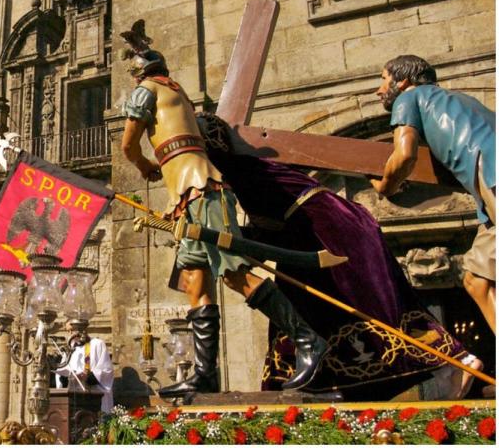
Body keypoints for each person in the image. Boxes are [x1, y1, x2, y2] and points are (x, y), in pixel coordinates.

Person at [197, 113, 480, 400]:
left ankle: (455, 360)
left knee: (373, 306)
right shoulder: (245, 169)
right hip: (313, 233)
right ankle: (328, 386)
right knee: (314, 307)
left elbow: (262, 231)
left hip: (331, 230)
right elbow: (270, 228)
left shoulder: (234, 171)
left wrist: (217, 237)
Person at [119, 47, 326, 398]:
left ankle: (308, 339)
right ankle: (204, 374)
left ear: (139, 73)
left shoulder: (147, 90)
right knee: (194, 282)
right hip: (189, 198)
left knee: (233, 271)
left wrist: (143, 166)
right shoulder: (177, 92)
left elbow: (128, 145)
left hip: (202, 191)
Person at [370, 55, 495, 334]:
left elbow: (404, 156)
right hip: (486, 199)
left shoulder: (409, 98)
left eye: (382, 79)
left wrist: (385, 186)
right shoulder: (464, 102)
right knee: (476, 278)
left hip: (493, 173)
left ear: (402, 81)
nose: (379, 90)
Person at [54, 324, 115, 412]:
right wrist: (67, 377)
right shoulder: (70, 349)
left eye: (72, 330)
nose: (70, 334)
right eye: (68, 331)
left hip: (94, 396)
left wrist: (88, 376)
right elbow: (61, 372)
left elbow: (106, 370)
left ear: (81, 329)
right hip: (73, 397)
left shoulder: (97, 344)